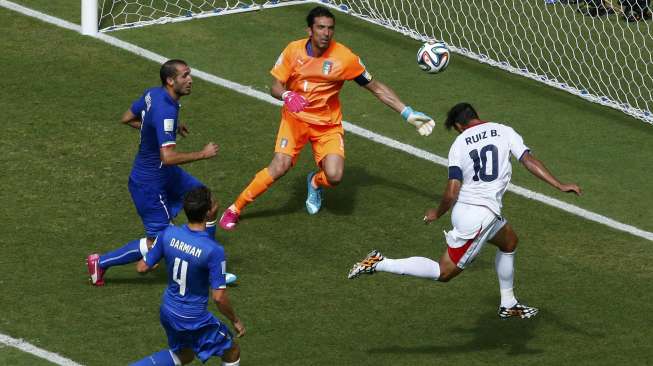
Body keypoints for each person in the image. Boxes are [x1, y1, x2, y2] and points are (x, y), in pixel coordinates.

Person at [348, 102, 582, 319]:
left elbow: (452, 191)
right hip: (480, 216)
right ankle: (379, 262)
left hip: (470, 211)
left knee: (509, 241)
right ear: (475, 115)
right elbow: (528, 160)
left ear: (459, 126)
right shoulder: (503, 130)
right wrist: (559, 185)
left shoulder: (459, 144)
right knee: (443, 272)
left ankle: (508, 304)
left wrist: (437, 212)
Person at [218, 6, 436, 230]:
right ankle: (235, 208)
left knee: (334, 176)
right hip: (295, 121)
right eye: (321, 27)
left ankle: (314, 182)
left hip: (327, 126)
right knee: (279, 166)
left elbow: (375, 87)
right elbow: (275, 86)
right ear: (309, 30)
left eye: (330, 28)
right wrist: (287, 94)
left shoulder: (344, 58)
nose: (326, 33)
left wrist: (407, 112)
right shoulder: (293, 51)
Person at [86, 59, 235, 286]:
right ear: (170, 80)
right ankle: (101, 262)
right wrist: (203, 154)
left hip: (166, 174)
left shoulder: (153, 94)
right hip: (149, 183)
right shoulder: (165, 109)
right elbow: (167, 158)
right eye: (185, 76)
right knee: (159, 243)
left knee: (210, 202)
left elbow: (127, 117)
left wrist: (167, 129)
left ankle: (206, 261)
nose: (190, 80)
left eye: (189, 74)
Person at [131, 186, 245, 366]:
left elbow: (142, 267)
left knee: (185, 354)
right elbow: (219, 297)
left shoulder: (168, 233)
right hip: (194, 319)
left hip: (168, 311)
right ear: (208, 212)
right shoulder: (214, 251)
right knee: (232, 351)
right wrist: (235, 320)